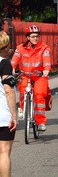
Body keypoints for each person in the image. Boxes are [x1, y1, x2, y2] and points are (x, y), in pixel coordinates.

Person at [11, 25, 51, 131]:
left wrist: (46, 70)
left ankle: (41, 122)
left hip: (39, 76)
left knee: (39, 95)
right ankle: (22, 109)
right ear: (28, 37)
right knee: (22, 89)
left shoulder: (44, 48)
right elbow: (14, 60)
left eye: (37, 36)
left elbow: (47, 61)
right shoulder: (20, 48)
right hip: (25, 75)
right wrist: (12, 68)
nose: (35, 39)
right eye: (33, 36)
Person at [0, 31, 17, 177]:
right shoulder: (4, 63)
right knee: (4, 152)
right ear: (5, 47)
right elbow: (8, 91)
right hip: (2, 115)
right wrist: (14, 115)